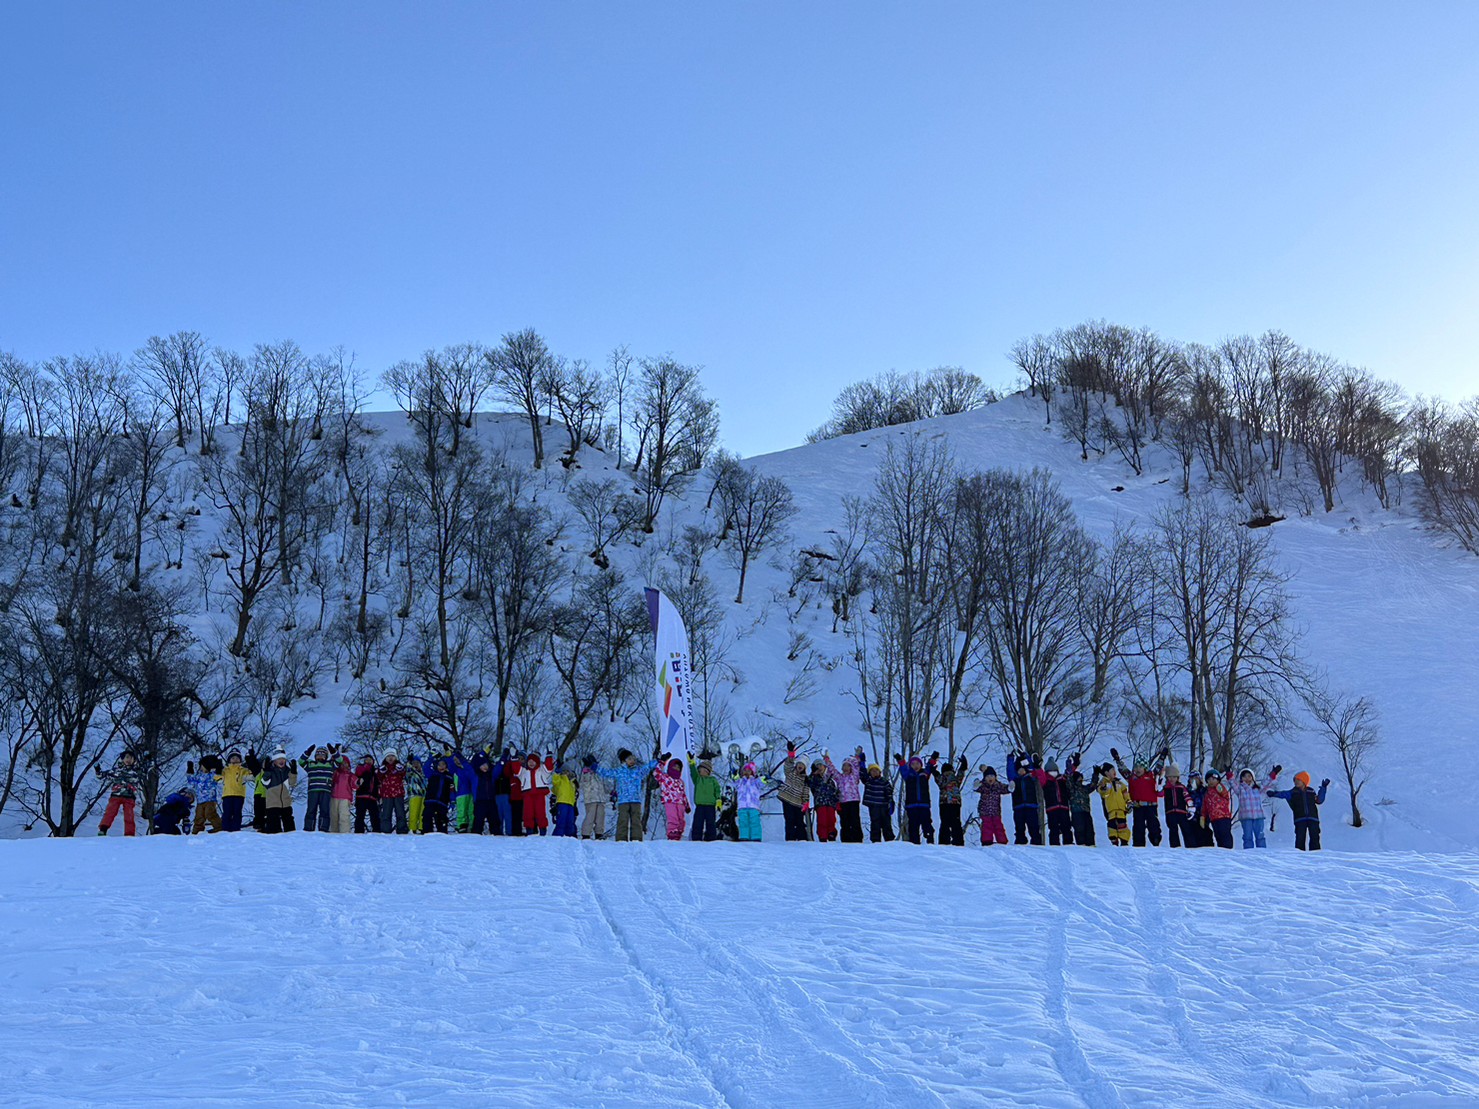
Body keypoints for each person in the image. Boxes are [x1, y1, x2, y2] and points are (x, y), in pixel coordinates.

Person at [595, 748, 659, 842]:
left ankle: (636, 839)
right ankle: (621, 839)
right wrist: (594, 767)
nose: (632, 761)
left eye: (633, 758)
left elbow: (648, 767)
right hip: (623, 801)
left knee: (636, 820)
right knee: (623, 820)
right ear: (623, 761)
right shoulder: (619, 771)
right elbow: (606, 773)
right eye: (629, 759)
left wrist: (658, 761)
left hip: (636, 800)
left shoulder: (638, 771)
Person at [1113, 747, 1166, 847]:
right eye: (1136, 767)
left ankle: (1155, 839)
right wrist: (1117, 759)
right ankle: (1138, 844)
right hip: (1138, 806)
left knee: (1153, 824)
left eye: (1140, 767)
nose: (1137, 769)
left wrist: (1162, 757)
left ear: (1145, 768)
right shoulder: (1132, 777)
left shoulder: (1151, 776)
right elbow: (1123, 770)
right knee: (1138, 826)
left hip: (1151, 806)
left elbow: (1158, 767)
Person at [1267, 772, 1329, 851]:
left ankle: (1315, 855)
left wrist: (1323, 788)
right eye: (1295, 780)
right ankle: (1300, 856)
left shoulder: (1311, 791)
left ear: (1304, 781)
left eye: (1298, 780)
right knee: (1300, 838)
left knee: (1315, 837)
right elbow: (1283, 794)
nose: (1296, 782)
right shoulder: (1292, 792)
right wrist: (1274, 794)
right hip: (1300, 818)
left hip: (1313, 818)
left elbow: (1319, 800)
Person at [96, 750, 144, 837]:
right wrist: (97, 769)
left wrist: (148, 760)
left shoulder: (136, 772)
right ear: (122, 759)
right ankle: (103, 829)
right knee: (110, 812)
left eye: (131, 758)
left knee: (129, 815)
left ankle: (129, 834)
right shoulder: (116, 771)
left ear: (134, 760)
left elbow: (147, 771)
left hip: (129, 796)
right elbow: (101, 776)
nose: (128, 760)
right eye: (126, 757)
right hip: (116, 795)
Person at [896, 752, 939, 845]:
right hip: (911, 805)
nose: (915, 766)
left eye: (917, 764)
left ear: (920, 764)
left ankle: (930, 842)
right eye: (913, 764)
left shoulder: (924, 774)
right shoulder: (908, 775)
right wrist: (900, 761)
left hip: (924, 804)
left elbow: (929, 766)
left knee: (927, 824)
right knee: (913, 826)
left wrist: (933, 758)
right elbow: (903, 769)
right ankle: (914, 845)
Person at [1006, 752, 1043, 846]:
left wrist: (1026, 756)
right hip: (1018, 806)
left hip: (1031, 805)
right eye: (1019, 770)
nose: (1021, 771)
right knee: (1019, 827)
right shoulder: (1014, 779)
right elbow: (1010, 770)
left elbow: (1032, 767)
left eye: (1023, 770)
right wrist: (1010, 758)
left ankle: (1037, 842)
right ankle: (1020, 841)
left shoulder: (1030, 777)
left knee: (1034, 826)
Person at [776, 745, 811, 841]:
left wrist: (805, 803)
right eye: (799, 764)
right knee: (789, 819)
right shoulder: (791, 772)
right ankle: (790, 838)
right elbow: (788, 764)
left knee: (799, 820)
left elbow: (805, 792)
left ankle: (801, 838)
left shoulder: (805, 779)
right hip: (787, 798)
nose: (800, 766)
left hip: (797, 802)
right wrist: (791, 754)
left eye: (802, 765)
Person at [829, 750, 865, 844]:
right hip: (843, 802)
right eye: (844, 765)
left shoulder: (854, 776)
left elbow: (857, 766)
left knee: (855, 821)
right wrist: (826, 759)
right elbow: (832, 769)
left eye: (848, 766)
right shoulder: (839, 777)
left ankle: (857, 839)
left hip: (853, 801)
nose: (845, 768)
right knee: (845, 822)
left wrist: (857, 756)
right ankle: (846, 840)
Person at [299, 745, 337, 833]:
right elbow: (301, 761)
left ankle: (323, 829)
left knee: (324, 810)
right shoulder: (311, 764)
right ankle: (308, 828)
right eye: (318, 754)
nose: (320, 756)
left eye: (322, 754)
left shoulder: (330, 764)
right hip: (313, 790)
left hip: (325, 790)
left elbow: (339, 760)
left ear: (326, 756)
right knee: (311, 810)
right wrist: (308, 752)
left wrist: (333, 751)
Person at [1093, 762, 1131, 847]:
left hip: (1121, 809)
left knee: (1122, 825)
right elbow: (1102, 792)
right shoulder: (1104, 783)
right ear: (1106, 772)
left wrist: (1128, 802)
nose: (1114, 771)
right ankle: (1114, 841)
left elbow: (1125, 793)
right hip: (1111, 810)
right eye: (1112, 770)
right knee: (1112, 826)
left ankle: (1124, 841)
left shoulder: (1119, 783)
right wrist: (1103, 788)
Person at [261, 750, 298, 833]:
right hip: (272, 803)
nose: (281, 761)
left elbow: (292, 783)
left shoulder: (287, 771)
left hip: (285, 802)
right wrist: (266, 772)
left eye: (283, 759)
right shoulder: (270, 770)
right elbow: (264, 783)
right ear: (274, 761)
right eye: (278, 759)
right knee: (273, 827)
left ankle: (292, 842)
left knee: (289, 826)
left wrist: (293, 772)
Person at [185, 756, 224, 834]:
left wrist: (219, 766)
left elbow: (219, 778)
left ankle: (219, 827)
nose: (201, 768)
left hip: (210, 800)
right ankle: (197, 830)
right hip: (200, 801)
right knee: (199, 816)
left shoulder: (212, 775)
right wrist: (190, 769)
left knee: (210, 814)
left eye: (203, 766)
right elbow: (191, 782)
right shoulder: (198, 776)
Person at [1231, 768, 1268, 849]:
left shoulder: (1257, 788)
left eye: (1249, 776)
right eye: (1244, 777)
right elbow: (1232, 783)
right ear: (1241, 779)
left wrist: (1273, 774)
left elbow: (1267, 783)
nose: (1247, 779)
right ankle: (1249, 853)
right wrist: (1229, 775)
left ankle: (1262, 852)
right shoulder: (1240, 789)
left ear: (1252, 778)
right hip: (1246, 817)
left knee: (1260, 836)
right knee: (1247, 837)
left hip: (1258, 816)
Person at [936, 755, 968, 847]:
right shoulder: (955, 778)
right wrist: (963, 765)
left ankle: (944, 842)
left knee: (945, 823)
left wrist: (934, 771)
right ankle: (958, 842)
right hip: (954, 803)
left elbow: (936, 777)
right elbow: (961, 772)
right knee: (955, 823)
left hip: (944, 803)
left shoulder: (941, 778)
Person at [974, 766, 1010, 846]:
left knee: (998, 826)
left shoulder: (998, 786)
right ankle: (987, 840)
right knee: (987, 826)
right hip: (985, 811)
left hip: (996, 811)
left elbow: (1005, 789)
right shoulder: (983, 786)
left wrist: (1010, 788)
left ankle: (1002, 840)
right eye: (988, 776)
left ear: (995, 777)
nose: (990, 778)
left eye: (992, 776)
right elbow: (977, 788)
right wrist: (976, 785)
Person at [518, 753, 553, 836]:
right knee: (528, 813)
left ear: (537, 762)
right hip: (528, 794)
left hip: (539, 794)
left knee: (541, 813)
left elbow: (549, 767)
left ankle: (543, 831)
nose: (531, 763)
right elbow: (516, 769)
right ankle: (529, 830)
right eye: (529, 761)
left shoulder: (542, 770)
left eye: (533, 761)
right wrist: (513, 758)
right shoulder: (523, 771)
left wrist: (549, 755)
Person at [1041, 758, 1073, 847]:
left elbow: (1069, 773)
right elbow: (1039, 775)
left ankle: (1069, 844)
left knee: (1066, 826)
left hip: (1063, 806)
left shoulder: (1062, 779)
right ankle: (1054, 845)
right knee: (1053, 828)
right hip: (1052, 807)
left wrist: (1072, 766)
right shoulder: (1046, 781)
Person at [688, 757, 722, 842]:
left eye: (701, 769)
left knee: (711, 823)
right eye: (699, 769)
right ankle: (696, 838)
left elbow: (717, 790)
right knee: (697, 823)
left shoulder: (713, 780)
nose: (699, 771)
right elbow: (693, 772)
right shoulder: (698, 779)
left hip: (710, 806)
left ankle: (711, 838)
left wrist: (718, 800)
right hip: (700, 805)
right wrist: (692, 763)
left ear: (707, 771)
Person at [807, 758, 841, 843]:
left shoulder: (831, 778)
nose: (819, 768)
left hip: (831, 803)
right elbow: (809, 783)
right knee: (822, 820)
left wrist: (837, 801)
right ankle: (822, 836)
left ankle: (831, 834)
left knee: (831, 819)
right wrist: (813, 773)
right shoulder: (814, 778)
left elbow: (835, 791)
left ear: (824, 767)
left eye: (820, 765)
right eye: (817, 766)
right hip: (820, 803)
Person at [861, 760, 894, 842]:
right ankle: (875, 840)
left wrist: (891, 802)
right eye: (872, 771)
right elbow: (862, 774)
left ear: (880, 772)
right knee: (875, 823)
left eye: (876, 770)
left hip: (884, 806)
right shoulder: (868, 781)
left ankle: (889, 840)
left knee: (886, 823)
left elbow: (889, 792)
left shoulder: (884, 782)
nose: (874, 772)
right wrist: (862, 762)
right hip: (873, 806)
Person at [579, 754, 610, 840]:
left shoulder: (599, 773)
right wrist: (588, 771)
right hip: (590, 799)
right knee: (590, 817)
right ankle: (586, 834)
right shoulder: (585, 772)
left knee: (600, 817)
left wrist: (596, 770)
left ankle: (599, 833)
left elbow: (604, 780)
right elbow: (584, 783)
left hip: (600, 798)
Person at [1163, 765, 1194, 849]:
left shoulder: (1181, 787)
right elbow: (1158, 793)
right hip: (1170, 812)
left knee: (1186, 829)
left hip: (1182, 812)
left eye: (1174, 777)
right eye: (1169, 777)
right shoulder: (1165, 788)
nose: (1172, 779)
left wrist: (1190, 807)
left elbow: (1187, 797)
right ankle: (1175, 847)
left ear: (1177, 778)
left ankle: (1190, 846)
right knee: (1173, 830)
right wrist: (1160, 778)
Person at [1201, 770, 1234, 849]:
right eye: (1209, 780)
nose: (1211, 781)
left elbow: (1226, 796)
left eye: (1213, 779)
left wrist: (1221, 789)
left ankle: (1228, 849)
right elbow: (1204, 806)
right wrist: (1203, 816)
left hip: (1224, 817)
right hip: (1214, 818)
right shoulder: (1207, 793)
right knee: (1218, 834)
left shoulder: (1220, 788)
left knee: (1225, 834)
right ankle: (1221, 849)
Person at [1066, 760, 1096, 847]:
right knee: (1080, 830)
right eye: (1079, 778)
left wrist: (1095, 775)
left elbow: (1092, 786)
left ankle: (1091, 845)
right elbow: (1069, 781)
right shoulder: (1072, 789)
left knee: (1089, 830)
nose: (1081, 780)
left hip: (1086, 812)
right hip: (1076, 812)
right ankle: (1081, 845)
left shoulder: (1084, 789)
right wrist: (1069, 771)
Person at [378, 751, 409, 835]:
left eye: (392, 756)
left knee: (400, 813)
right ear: (385, 758)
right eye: (388, 756)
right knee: (386, 814)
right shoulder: (382, 768)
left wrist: (401, 770)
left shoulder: (399, 767)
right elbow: (378, 778)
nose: (390, 758)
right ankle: (385, 830)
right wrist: (381, 772)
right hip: (386, 794)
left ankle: (402, 829)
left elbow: (404, 775)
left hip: (398, 794)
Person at [733, 761, 764, 842]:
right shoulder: (740, 782)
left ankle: (756, 837)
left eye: (749, 770)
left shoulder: (756, 782)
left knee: (755, 822)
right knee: (743, 822)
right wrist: (734, 775)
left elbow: (762, 783)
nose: (746, 772)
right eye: (745, 770)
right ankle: (744, 836)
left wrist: (765, 779)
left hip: (753, 806)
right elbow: (735, 782)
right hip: (742, 806)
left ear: (752, 772)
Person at [422, 755, 454, 834]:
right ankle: (427, 832)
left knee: (442, 819)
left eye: (443, 765)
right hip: (430, 800)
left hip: (442, 802)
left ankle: (442, 833)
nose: (441, 767)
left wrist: (452, 800)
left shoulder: (449, 776)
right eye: (439, 765)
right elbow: (425, 768)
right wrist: (431, 757)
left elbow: (452, 790)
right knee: (427, 816)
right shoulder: (432, 774)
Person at [220, 751, 251, 833]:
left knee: (237, 812)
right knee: (227, 813)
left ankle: (236, 828)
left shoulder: (243, 770)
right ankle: (225, 829)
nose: (235, 760)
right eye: (233, 758)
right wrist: (217, 768)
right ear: (229, 760)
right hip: (227, 795)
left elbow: (251, 775)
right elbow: (217, 778)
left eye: (237, 758)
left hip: (239, 795)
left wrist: (250, 761)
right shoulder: (225, 770)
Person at [330, 752, 356, 833]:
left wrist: (358, 782)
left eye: (346, 763)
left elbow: (355, 785)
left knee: (344, 816)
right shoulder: (336, 773)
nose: (344, 765)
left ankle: (345, 833)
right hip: (334, 797)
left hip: (345, 798)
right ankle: (333, 833)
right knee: (334, 816)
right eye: (342, 763)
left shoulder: (350, 775)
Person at [354, 754, 380, 833]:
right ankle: (359, 831)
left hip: (372, 797)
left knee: (375, 815)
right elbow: (357, 774)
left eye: (370, 760)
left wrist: (378, 795)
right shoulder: (361, 768)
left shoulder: (375, 773)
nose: (368, 761)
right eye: (366, 759)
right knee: (360, 815)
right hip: (361, 796)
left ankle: (377, 831)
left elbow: (377, 784)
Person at [550, 761, 578, 837]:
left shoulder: (572, 783)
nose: (566, 773)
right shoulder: (560, 780)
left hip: (571, 804)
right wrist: (557, 772)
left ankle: (570, 835)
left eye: (567, 771)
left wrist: (575, 805)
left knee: (570, 821)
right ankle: (557, 836)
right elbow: (554, 781)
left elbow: (574, 794)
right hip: (561, 802)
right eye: (564, 771)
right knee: (561, 820)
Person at [405, 755, 427, 835]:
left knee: (422, 812)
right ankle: (412, 828)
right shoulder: (411, 773)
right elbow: (407, 771)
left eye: (417, 763)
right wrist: (409, 763)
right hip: (414, 794)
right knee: (413, 812)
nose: (416, 765)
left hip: (424, 795)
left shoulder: (424, 773)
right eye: (414, 763)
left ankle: (421, 828)